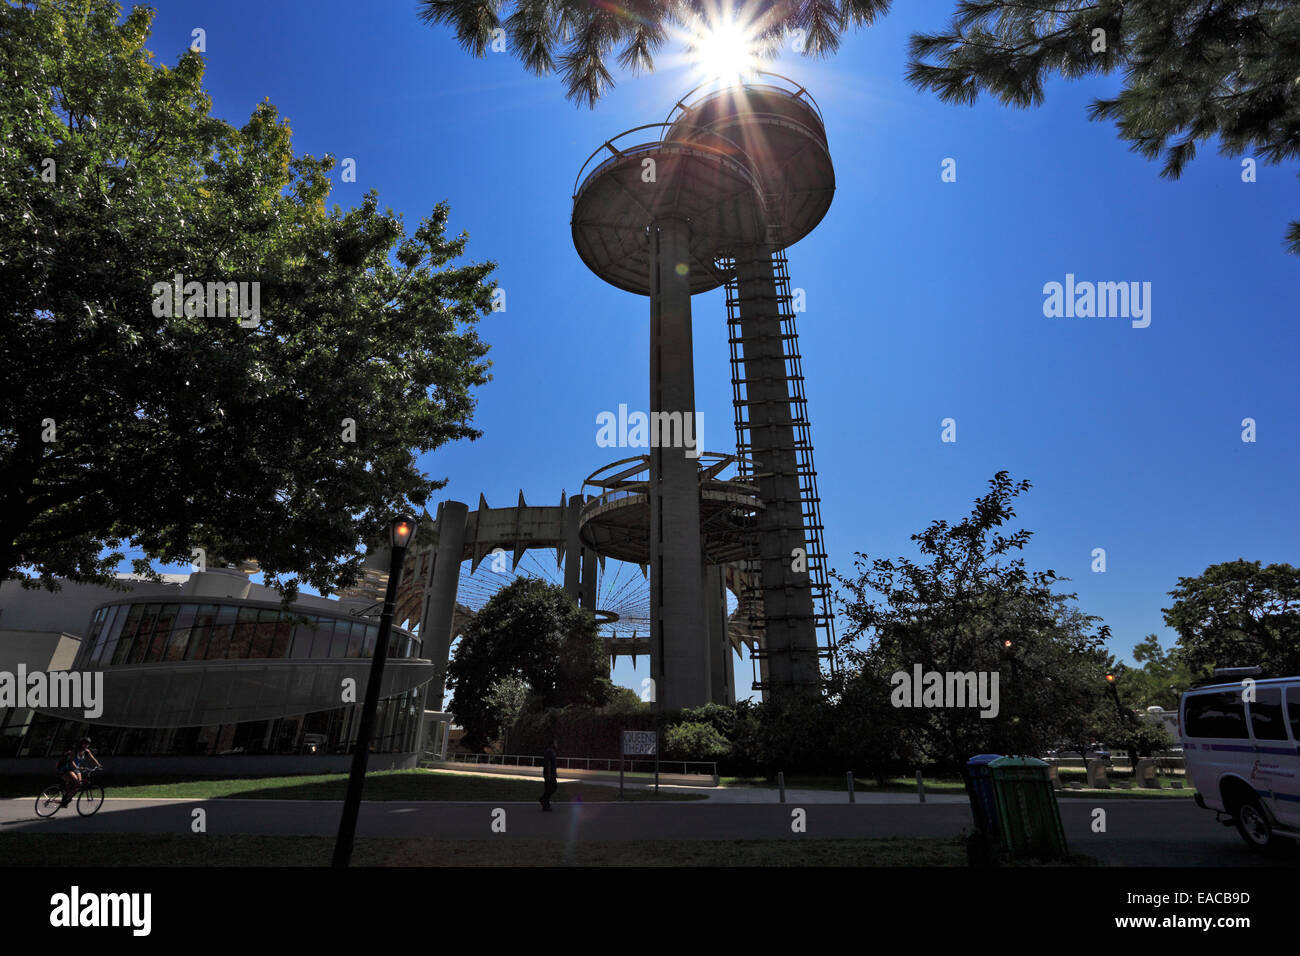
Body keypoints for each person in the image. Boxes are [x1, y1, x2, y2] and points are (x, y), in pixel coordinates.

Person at [57, 737, 101, 808]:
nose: (86, 745)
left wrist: (98, 765)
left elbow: (93, 758)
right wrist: (77, 767)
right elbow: (71, 761)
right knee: (75, 781)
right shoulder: (75, 750)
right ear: (81, 743)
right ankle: (65, 795)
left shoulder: (87, 751)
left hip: (75, 769)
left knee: (79, 784)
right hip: (67, 768)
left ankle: (67, 799)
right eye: (85, 743)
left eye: (88, 744)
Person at [539, 739, 558, 811]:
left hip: (551, 773)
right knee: (552, 787)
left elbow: (552, 764)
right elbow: (548, 764)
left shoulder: (551, 751)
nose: (557, 744)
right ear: (552, 744)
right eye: (555, 742)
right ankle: (544, 801)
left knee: (550, 788)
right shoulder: (549, 752)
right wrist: (549, 774)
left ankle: (545, 804)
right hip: (549, 774)